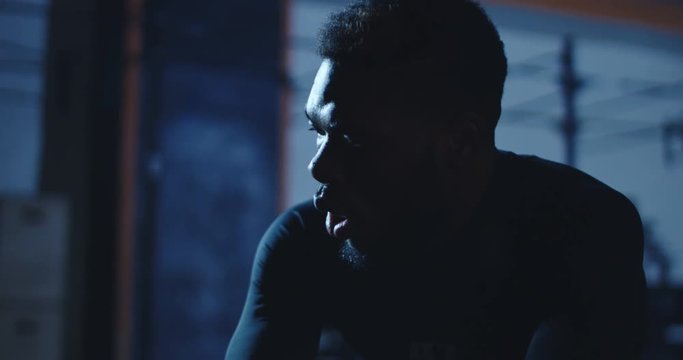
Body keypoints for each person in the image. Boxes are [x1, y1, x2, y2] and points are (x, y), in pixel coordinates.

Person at [225, 0, 646, 359]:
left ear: (460, 143)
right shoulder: (302, 244)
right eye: (317, 130)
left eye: (352, 140)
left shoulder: (579, 229)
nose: (318, 167)